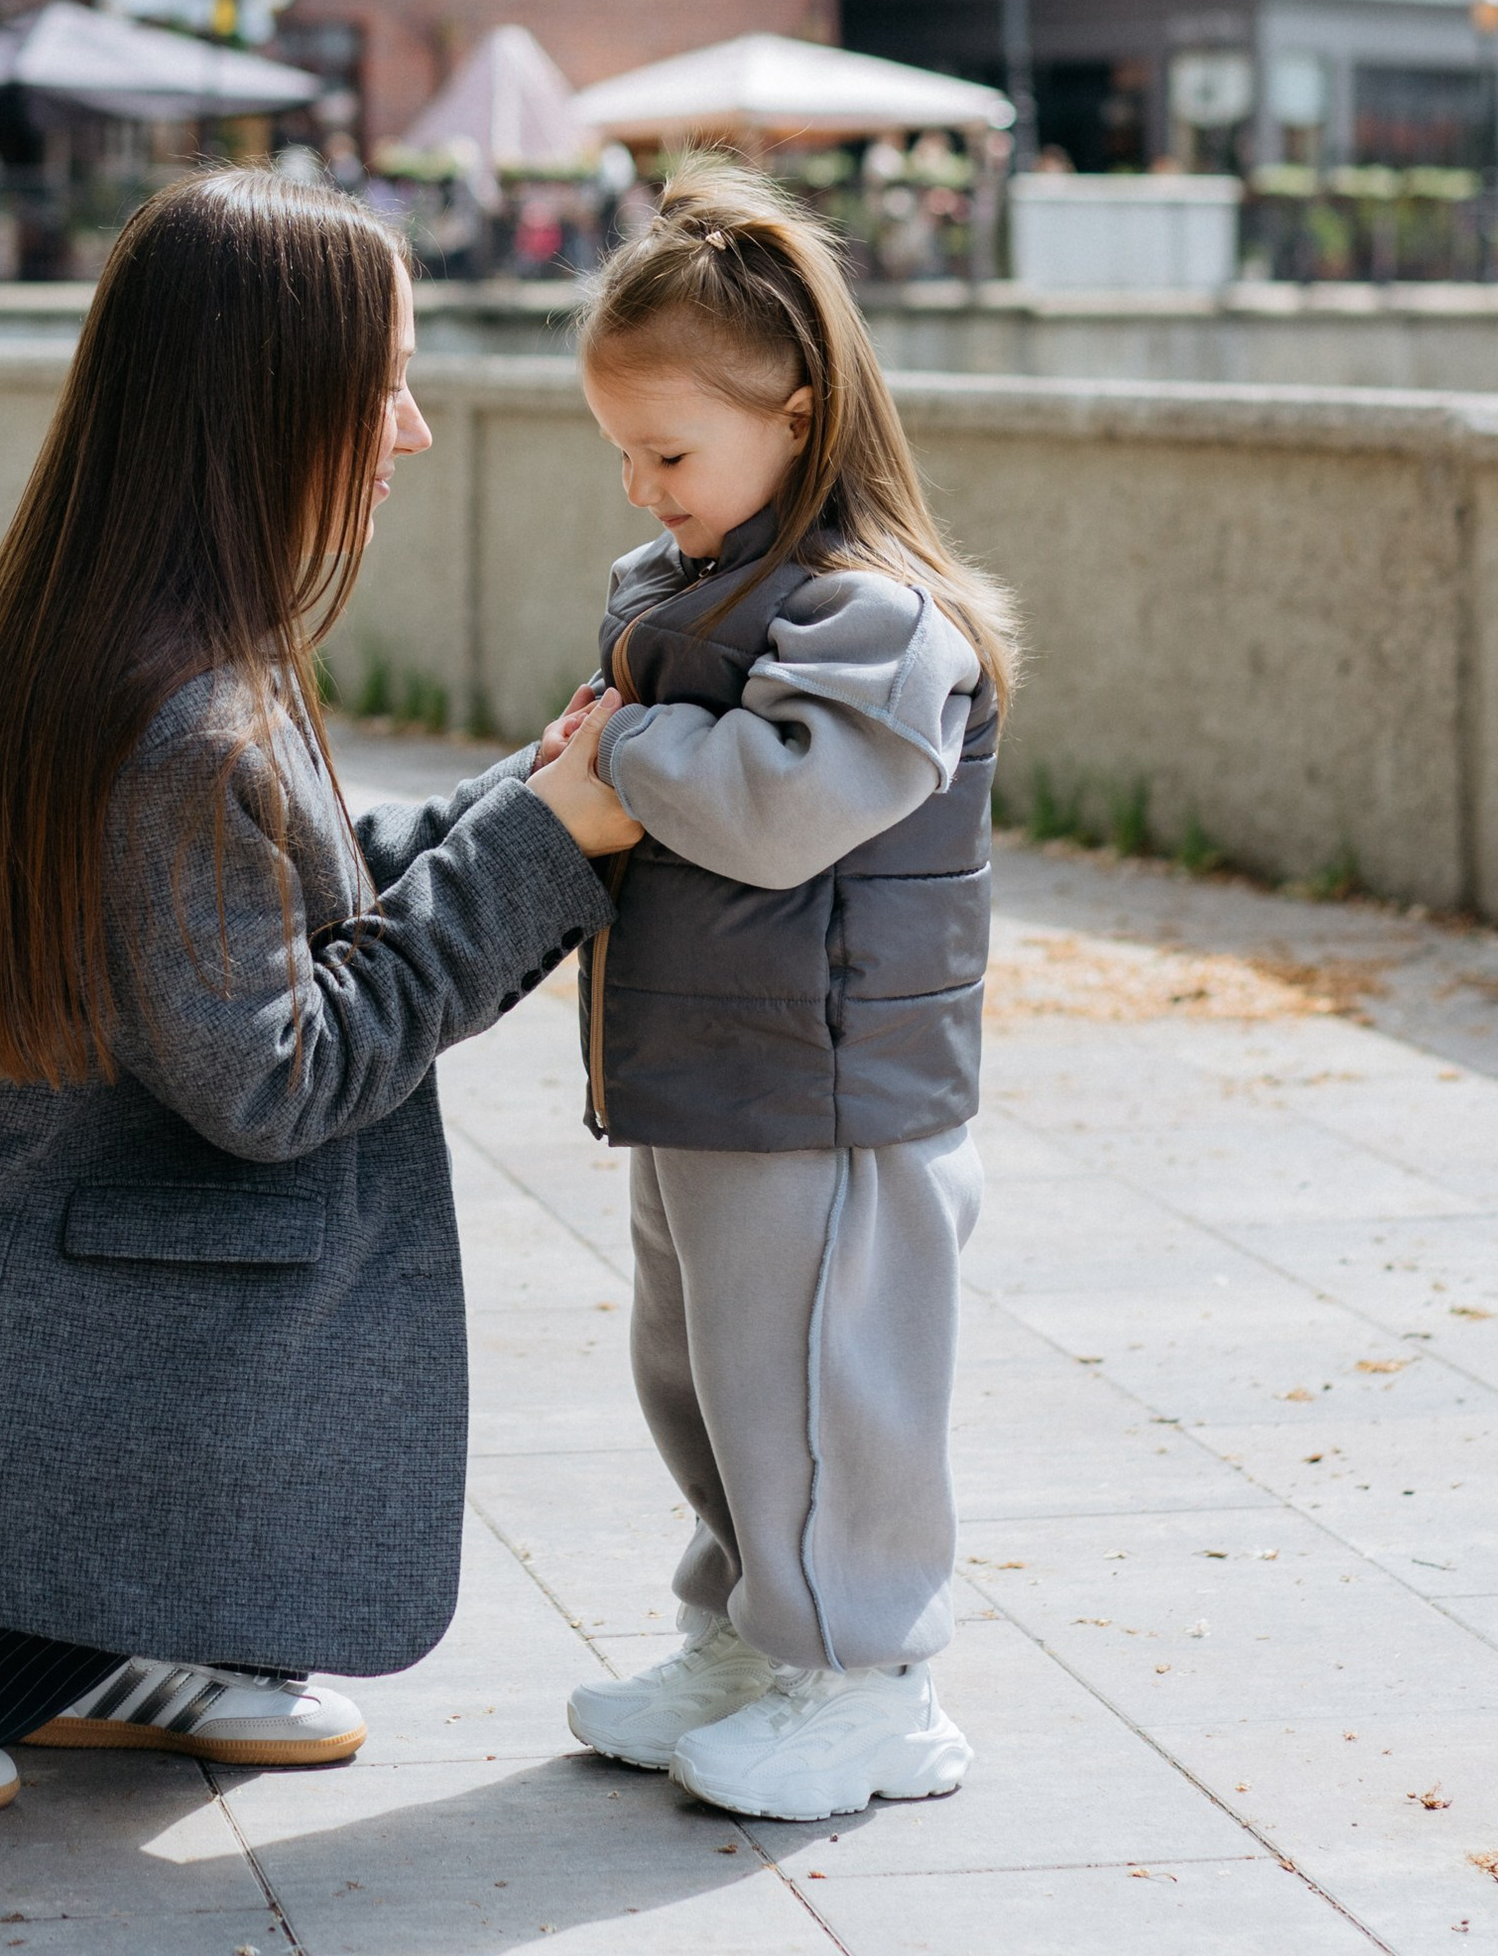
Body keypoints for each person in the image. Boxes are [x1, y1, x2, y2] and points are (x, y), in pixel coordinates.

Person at [0, 170, 638, 1822]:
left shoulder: (117, 631)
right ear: (273, 405)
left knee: (231, 1244)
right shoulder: (185, 720)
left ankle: (87, 1638)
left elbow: (266, 906)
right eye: (384, 385)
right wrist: (537, 844)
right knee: (277, 1221)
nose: (414, 430)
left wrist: (526, 798)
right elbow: (280, 1077)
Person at [539, 162, 1016, 1823]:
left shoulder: (876, 620)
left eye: (670, 452)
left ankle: (873, 1680)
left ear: (798, 422)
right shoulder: (691, 593)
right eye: (625, 450)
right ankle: (752, 1640)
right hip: (707, 1074)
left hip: (826, 1090)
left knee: (825, 1388)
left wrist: (630, 749)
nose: (641, 482)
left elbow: (779, 804)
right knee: (709, 1376)